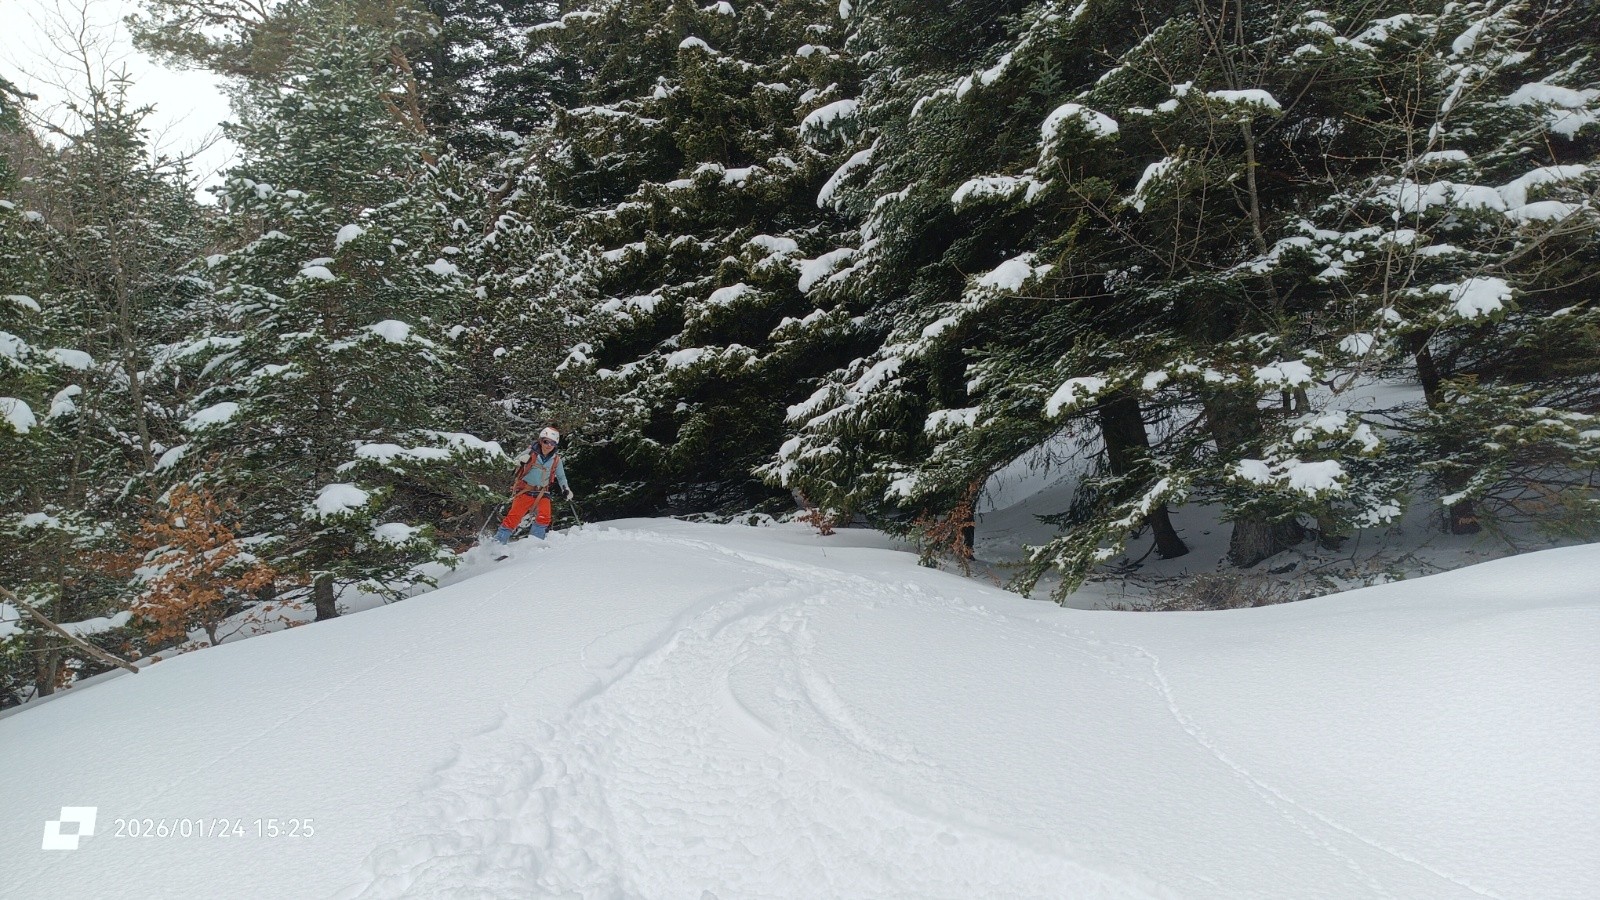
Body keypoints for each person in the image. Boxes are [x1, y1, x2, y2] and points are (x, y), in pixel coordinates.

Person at [495, 426, 573, 544]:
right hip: (525, 490)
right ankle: (496, 545)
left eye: (552, 443)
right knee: (513, 518)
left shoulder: (556, 459)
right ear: (541, 441)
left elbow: (561, 477)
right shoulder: (530, 452)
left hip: (542, 492)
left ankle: (534, 545)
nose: (549, 445)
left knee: (544, 517)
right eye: (546, 441)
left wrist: (565, 489)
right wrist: (520, 461)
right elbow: (510, 466)